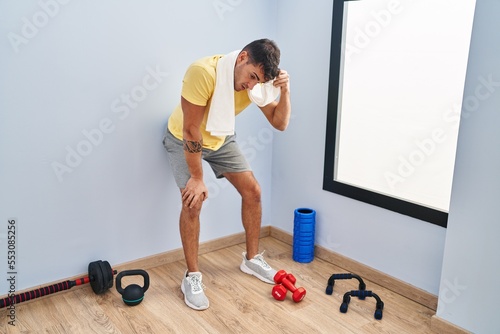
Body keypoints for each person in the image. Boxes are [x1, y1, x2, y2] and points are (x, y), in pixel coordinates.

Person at [162, 38, 291, 310]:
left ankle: (251, 259)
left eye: (259, 81)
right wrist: (197, 178)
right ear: (242, 57)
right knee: (193, 202)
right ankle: (192, 276)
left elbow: (280, 123)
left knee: (253, 191)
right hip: (184, 138)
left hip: (220, 138)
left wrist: (285, 91)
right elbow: (191, 131)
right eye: (252, 76)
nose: (252, 86)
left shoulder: (257, 84)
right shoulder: (203, 73)